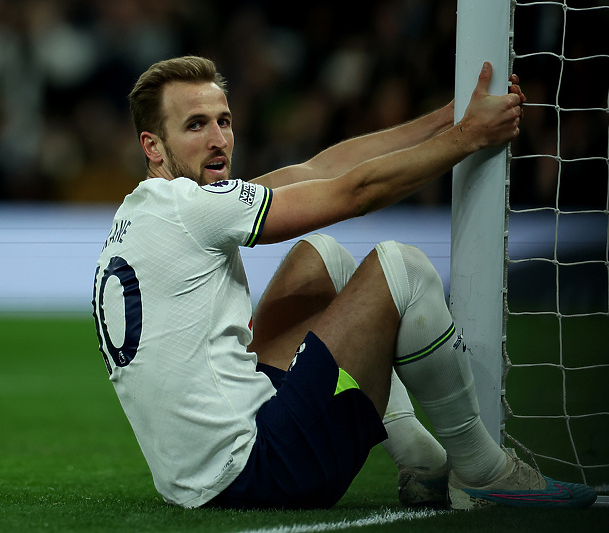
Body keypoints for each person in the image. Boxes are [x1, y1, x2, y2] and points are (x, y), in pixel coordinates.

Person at [92, 55, 597, 510]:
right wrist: (470, 138)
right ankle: (485, 470)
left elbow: (318, 169)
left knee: (321, 258)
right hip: (260, 470)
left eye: (224, 121)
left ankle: (419, 458)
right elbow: (355, 191)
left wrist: (448, 119)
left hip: (191, 478)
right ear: (153, 147)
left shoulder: (144, 215)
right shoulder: (190, 208)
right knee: (402, 269)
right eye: (195, 125)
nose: (219, 139)